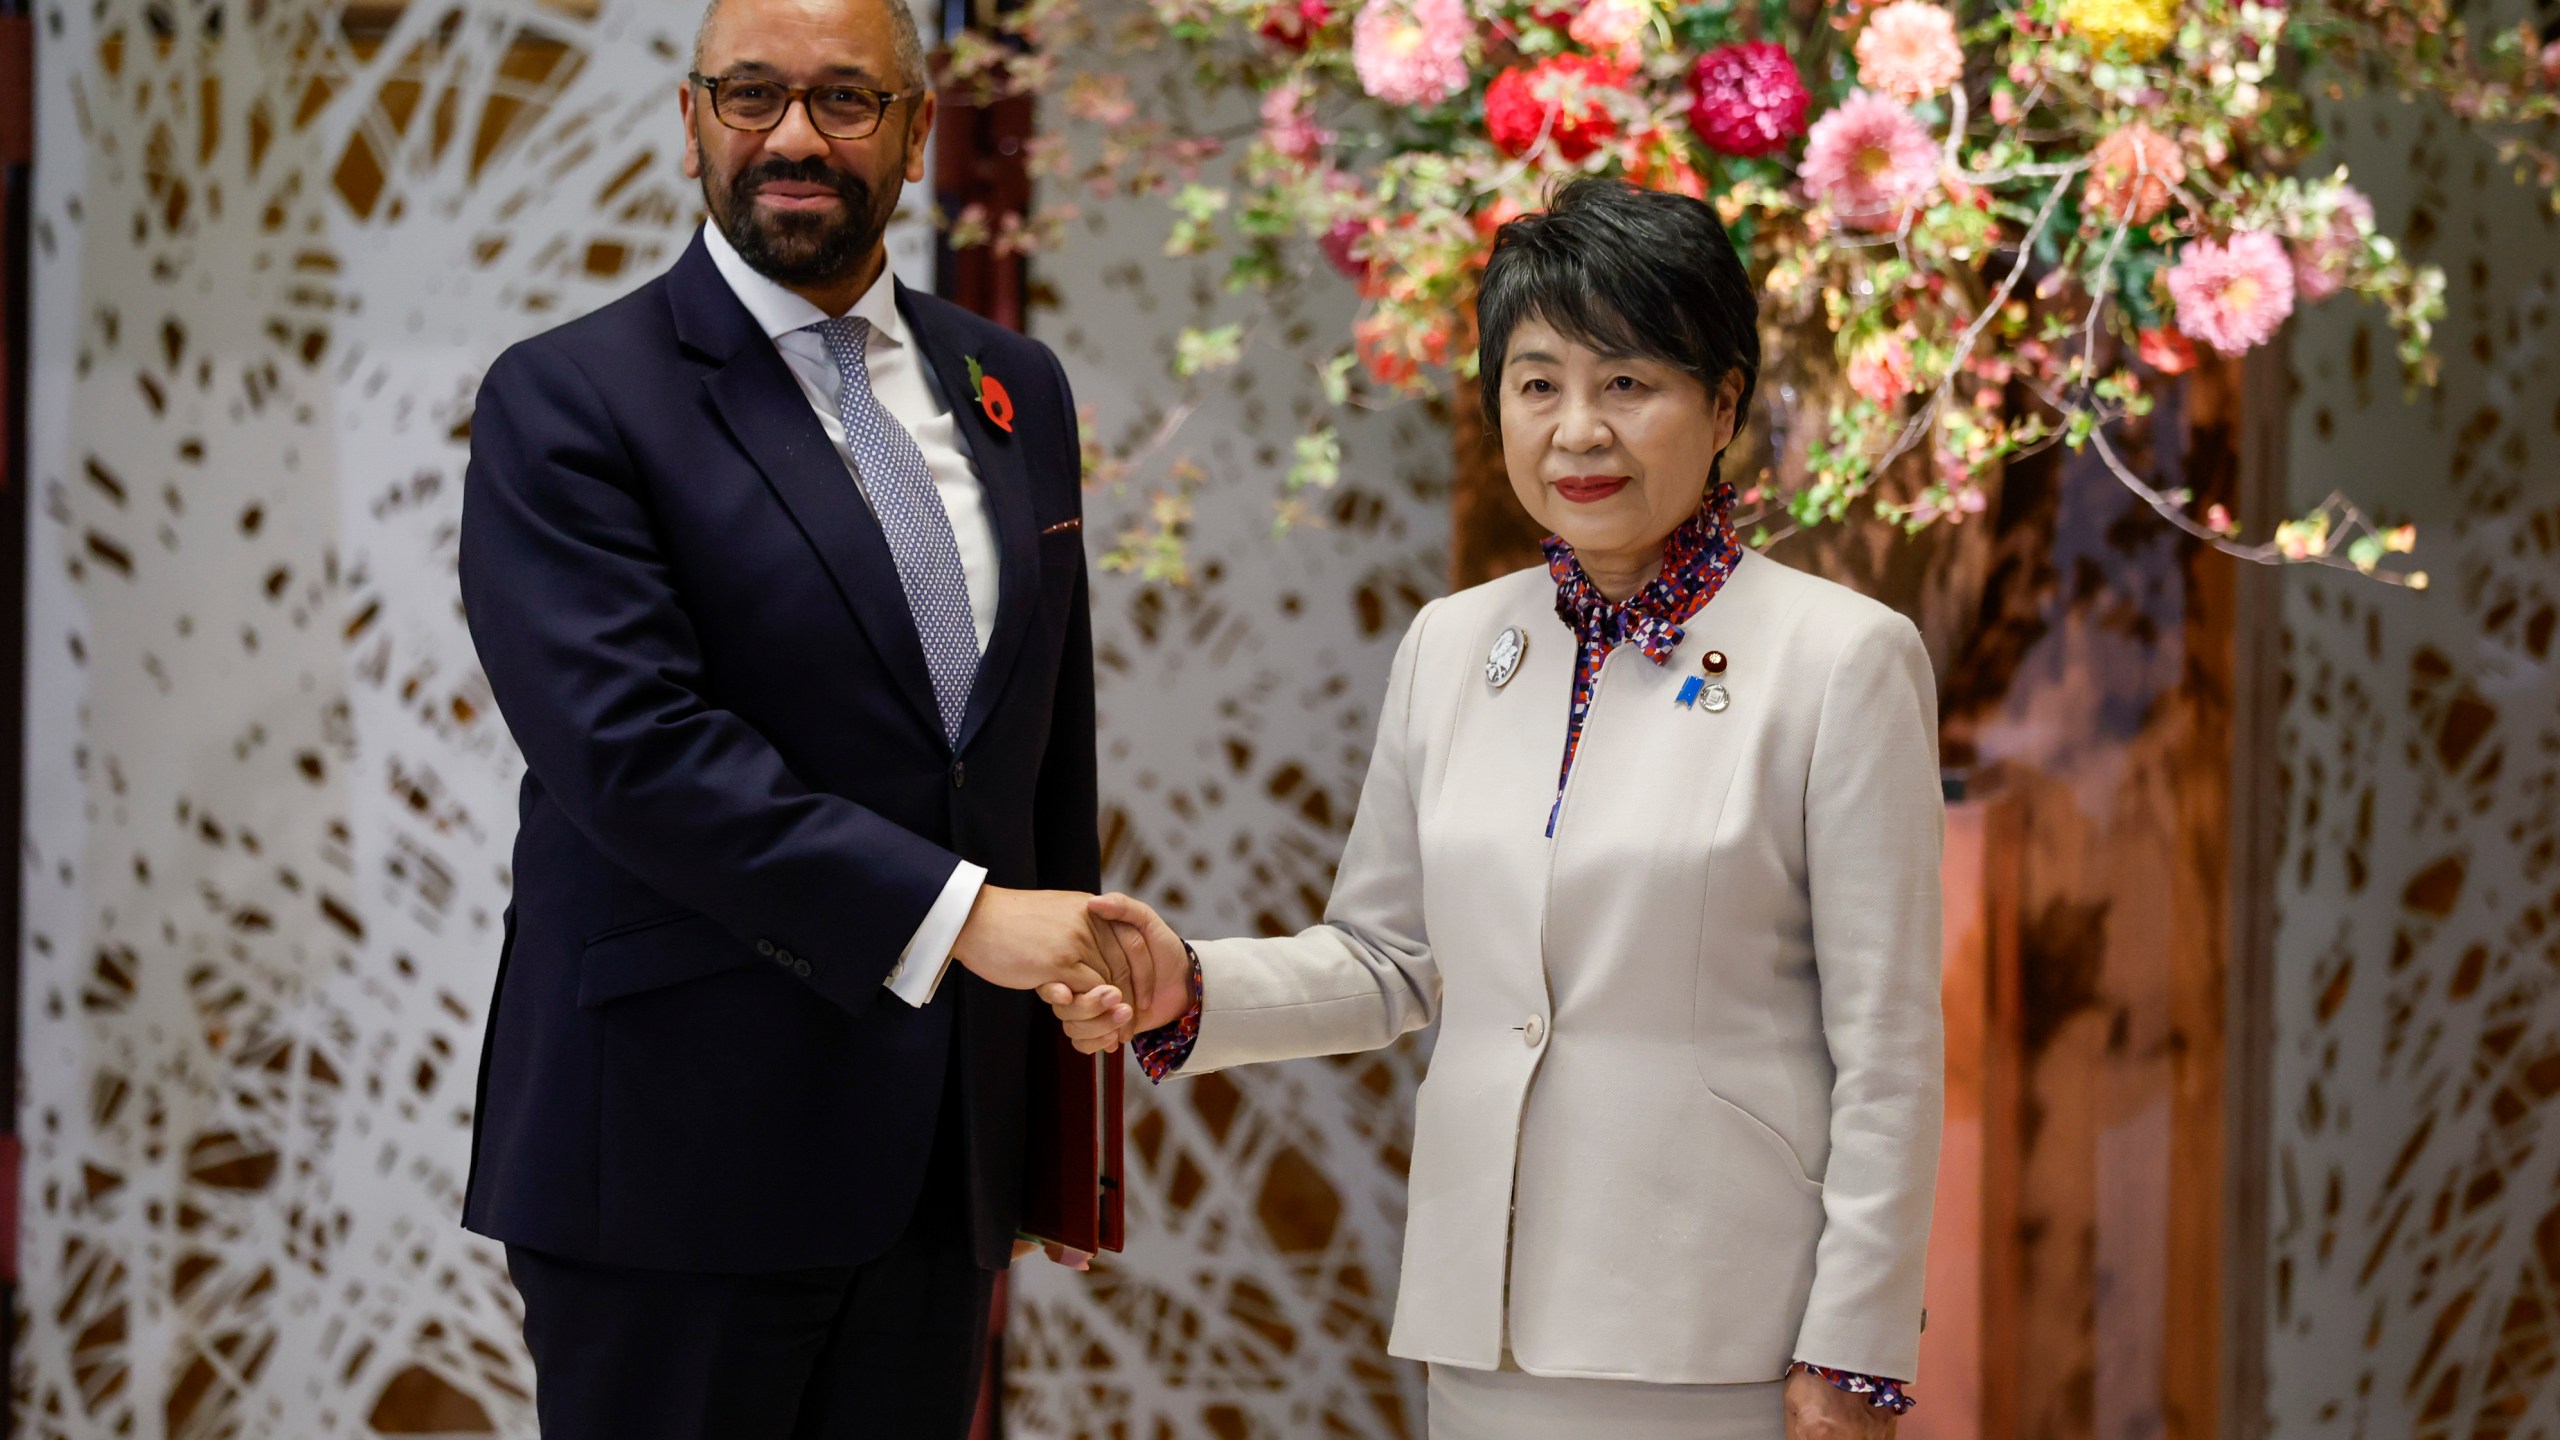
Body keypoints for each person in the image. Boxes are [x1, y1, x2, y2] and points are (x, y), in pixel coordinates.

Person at [1054, 178, 1945, 1439]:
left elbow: (1890, 1046)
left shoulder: (1842, 659)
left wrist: (1852, 1349)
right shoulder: (1452, 644)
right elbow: (1388, 959)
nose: (1578, 430)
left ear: (1724, 404)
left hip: (1720, 1333)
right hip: (1483, 1323)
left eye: (1627, 383)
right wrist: (1186, 986)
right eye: (1538, 385)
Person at [455, 0, 1115, 1432]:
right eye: (751, 96)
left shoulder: (1018, 389)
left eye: (844, 100)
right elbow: (637, 757)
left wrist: (1057, 1121)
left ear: (918, 129)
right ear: (690, 120)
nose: (794, 138)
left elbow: (1039, 745)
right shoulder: (569, 402)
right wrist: (960, 917)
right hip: (672, 1162)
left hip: (940, 1162)